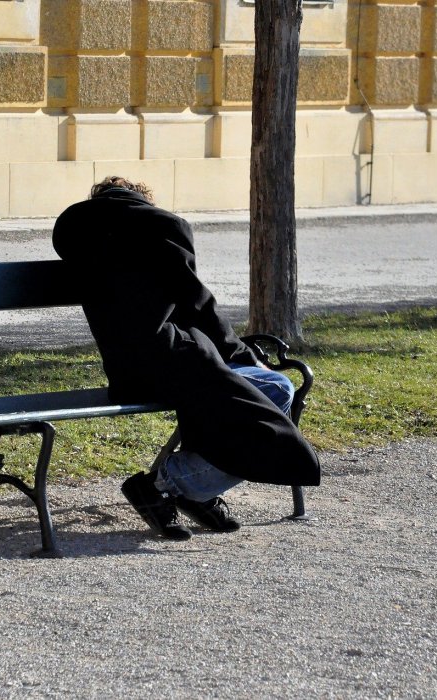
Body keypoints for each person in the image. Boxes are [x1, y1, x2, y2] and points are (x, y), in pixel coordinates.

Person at [52, 176, 321, 540]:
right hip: (170, 361)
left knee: (222, 394)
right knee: (277, 387)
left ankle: (196, 490)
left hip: (126, 374)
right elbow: (197, 304)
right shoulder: (162, 227)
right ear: (141, 200)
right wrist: (243, 355)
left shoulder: (78, 235)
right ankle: (175, 484)